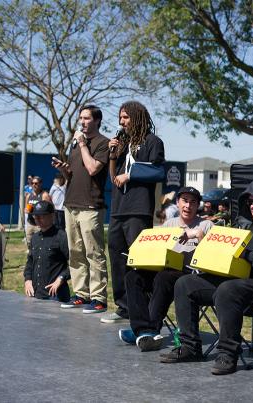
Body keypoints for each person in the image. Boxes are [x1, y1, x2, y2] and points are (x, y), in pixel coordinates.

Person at [160, 179, 253, 376]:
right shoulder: (245, 227)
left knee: (228, 289)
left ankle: (227, 353)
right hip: (236, 279)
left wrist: (249, 256)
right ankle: (190, 347)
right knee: (185, 283)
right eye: (249, 202)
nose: (252, 206)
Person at [119, 187, 213, 351]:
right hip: (164, 268)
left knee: (164, 277)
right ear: (177, 203)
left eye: (192, 202)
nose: (188, 206)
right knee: (133, 277)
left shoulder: (206, 225)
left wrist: (198, 235)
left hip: (191, 275)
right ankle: (142, 329)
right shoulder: (169, 224)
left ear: (197, 205)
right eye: (184, 201)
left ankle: (151, 329)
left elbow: (211, 257)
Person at [103, 101, 165, 324]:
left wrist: (131, 175)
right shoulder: (121, 143)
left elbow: (158, 171)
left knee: (137, 259)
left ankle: (142, 306)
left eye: (126, 117)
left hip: (138, 209)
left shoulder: (153, 142)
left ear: (137, 117)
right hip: (118, 208)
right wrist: (112, 154)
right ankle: (123, 306)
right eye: (120, 118)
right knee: (116, 255)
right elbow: (112, 178)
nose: (121, 122)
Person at [52, 104, 110, 314]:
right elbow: (74, 175)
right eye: (81, 119)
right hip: (71, 204)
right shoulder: (76, 145)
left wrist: (84, 145)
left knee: (94, 252)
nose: (82, 122)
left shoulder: (103, 143)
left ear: (97, 120)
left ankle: (99, 298)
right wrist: (65, 170)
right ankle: (81, 294)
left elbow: (94, 168)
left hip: (90, 206)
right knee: (75, 253)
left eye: (86, 118)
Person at [23, 200, 70, 302]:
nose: (38, 219)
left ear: (52, 216)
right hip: (35, 294)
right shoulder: (35, 238)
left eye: (42, 216)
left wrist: (61, 279)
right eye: (36, 216)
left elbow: (74, 264)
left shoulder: (61, 237)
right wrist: (27, 280)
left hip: (55, 295)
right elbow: (30, 263)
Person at [24, 176, 51, 249]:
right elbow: (27, 208)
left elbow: (50, 210)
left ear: (40, 184)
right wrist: (27, 210)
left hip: (40, 225)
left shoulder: (44, 195)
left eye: (36, 183)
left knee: (41, 245)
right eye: (32, 183)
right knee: (29, 245)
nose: (33, 185)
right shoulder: (29, 195)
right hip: (30, 224)